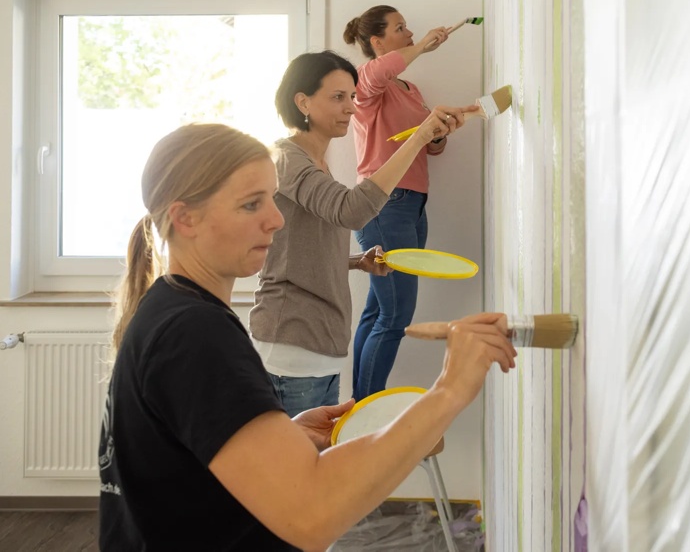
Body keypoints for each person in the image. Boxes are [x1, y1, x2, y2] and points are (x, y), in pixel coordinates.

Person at [98, 122, 517, 551]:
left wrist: (285, 437)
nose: (276, 219)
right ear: (185, 218)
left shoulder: (171, 308)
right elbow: (312, 515)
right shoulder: (192, 333)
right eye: (251, 205)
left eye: (272, 199)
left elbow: (185, 467)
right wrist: (449, 392)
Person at [249, 51, 474, 417]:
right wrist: (416, 139)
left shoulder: (316, 163)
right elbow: (352, 211)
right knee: (300, 471)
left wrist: (356, 262)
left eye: (352, 97)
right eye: (338, 97)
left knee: (317, 465)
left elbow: (300, 248)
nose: (351, 108)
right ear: (303, 101)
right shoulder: (288, 159)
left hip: (319, 346)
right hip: (292, 343)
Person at [344, 5, 472, 400]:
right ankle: (365, 410)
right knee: (395, 316)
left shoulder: (410, 90)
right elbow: (380, 71)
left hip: (412, 206)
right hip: (383, 207)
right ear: (378, 42)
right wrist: (425, 47)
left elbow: (428, 149)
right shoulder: (366, 86)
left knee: (379, 312)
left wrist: (438, 134)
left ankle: (358, 405)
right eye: (400, 28)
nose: (410, 32)